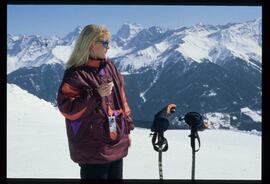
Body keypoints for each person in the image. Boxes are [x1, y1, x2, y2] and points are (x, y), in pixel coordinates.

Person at [57, 24, 134, 180]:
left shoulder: (110, 67)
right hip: (92, 148)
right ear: (92, 44)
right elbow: (68, 109)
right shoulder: (76, 74)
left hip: (115, 140)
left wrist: (127, 126)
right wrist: (96, 94)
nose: (108, 47)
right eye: (105, 43)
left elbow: (122, 98)